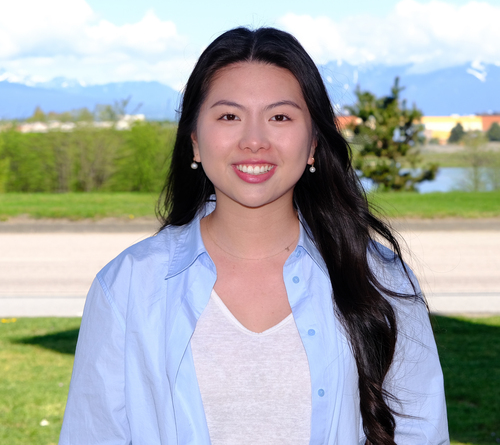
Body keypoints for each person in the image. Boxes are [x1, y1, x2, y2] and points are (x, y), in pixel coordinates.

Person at [60, 27, 449, 445]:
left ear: (313, 142)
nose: (254, 141)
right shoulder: (127, 286)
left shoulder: (380, 277)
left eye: (279, 117)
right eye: (229, 116)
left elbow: (420, 432)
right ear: (195, 141)